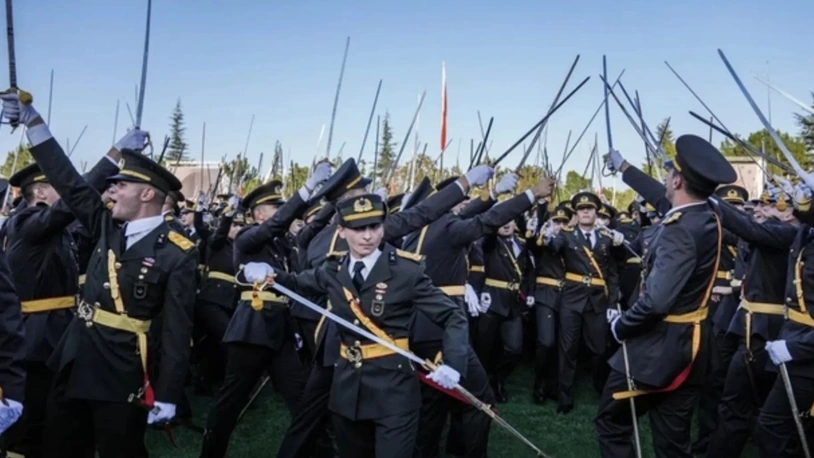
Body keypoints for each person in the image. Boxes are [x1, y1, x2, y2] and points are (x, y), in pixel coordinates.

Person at [1, 93, 199, 457]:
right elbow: (72, 183)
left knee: (117, 448)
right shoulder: (107, 226)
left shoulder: (177, 251)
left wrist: (168, 393)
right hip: (75, 357)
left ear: (147, 194)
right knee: (61, 445)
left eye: (121, 185)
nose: (111, 191)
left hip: (121, 369)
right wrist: (34, 123)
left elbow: (176, 330)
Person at [249, 193, 469, 458]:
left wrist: (454, 363)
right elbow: (297, 283)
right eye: (358, 228)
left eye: (374, 227)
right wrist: (268, 273)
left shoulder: (406, 271)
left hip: (393, 389)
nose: (368, 236)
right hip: (347, 388)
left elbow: (452, 316)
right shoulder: (333, 269)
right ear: (341, 231)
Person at [595, 135, 737, 458]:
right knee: (673, 442)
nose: (665, 179)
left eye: (669, 173)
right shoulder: (707, 217)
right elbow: (663, 198)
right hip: (692, 346)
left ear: (677, 179)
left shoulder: (679, 231)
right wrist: (624, 168)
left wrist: (621, 327)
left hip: (658, 350)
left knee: (611, 423)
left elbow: (656, 301)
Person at [1, 129, 131, 457]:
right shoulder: (27, 224)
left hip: (54, 329)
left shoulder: (49, 229)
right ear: (42, 193)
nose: (67, 197)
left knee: (52, 417)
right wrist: (113, 155)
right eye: (60, 190)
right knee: (30, 420)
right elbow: (75, 199)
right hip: (38, 335)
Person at [200, 170, 330, 458]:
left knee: (300, 399)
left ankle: (318, 452)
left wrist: (334, 196)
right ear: (260, 215)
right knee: (231, 402)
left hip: (281, 329)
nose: (283, 215)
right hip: (252, 328)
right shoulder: (248, 237)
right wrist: (306, 189)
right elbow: (277, 224)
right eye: (277, 209)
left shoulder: (280, 245)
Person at [541, 190, 623, 413]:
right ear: (576, 213)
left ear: (596, 212)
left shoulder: (607, 238)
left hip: (597, 300)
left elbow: (612, 274)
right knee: (567, 349)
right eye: (581, 209)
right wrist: (547, 235)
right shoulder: (566, 235)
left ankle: (601, 389)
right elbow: (553, 247)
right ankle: (565, 397)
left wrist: (613, 303)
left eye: (590, 209)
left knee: (598, 349)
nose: (586, 212)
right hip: (572, 298)